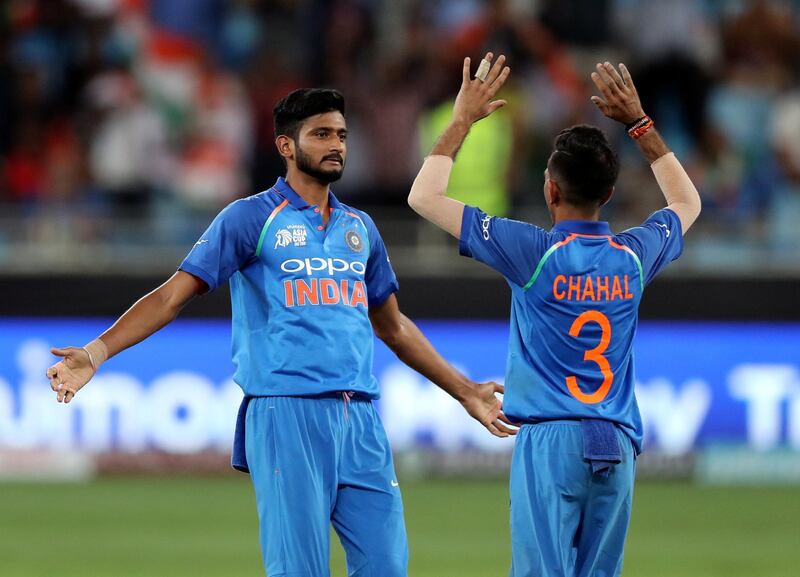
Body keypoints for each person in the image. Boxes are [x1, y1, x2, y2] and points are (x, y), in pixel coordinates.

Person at [45, 87, 516, 577]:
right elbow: (169, 297)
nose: (336, 145)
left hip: (361, 419)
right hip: (286, 411)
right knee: (299, 570)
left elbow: (392, 327)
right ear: (286, 146)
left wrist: (465, 391)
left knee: (388, 566)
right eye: (321, 134)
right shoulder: (250, 218)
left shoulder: (361, 227)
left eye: (342, 135)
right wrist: (95, 353)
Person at [408, 53, 701, 577]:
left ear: (550, 189)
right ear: (609, 194)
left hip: (550, 441)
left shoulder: (530, 251)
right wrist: (640, 124)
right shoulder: (635, 255)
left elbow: (424, 196)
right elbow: (687, 201)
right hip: (615, 442)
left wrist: (460, 122)